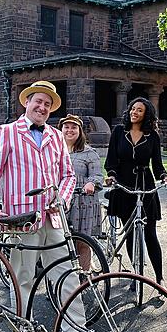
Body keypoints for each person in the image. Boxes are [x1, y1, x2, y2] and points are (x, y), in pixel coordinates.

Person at [0, 80, 107, 332]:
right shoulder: (7, 133)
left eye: (48, 104)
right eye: (38, 101)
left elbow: (68, 176)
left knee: (67, 273)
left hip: (53, 217)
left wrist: (62, 199)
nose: (42, 107)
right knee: (22, 277)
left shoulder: (54, 136)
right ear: (26, 103)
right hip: (21, 218)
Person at [104, 97, 167, 285]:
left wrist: (164, 177)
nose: (134, 112)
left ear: (146, 114)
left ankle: (159, 278)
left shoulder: (153, 136)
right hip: (123, 186)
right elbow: (111, 160)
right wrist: (111, 175)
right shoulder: (119, 131)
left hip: (146, 186)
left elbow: (157, 165)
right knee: (130, 232)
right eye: (133, 109)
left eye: (139, 110)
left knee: (150, 233)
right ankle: (137, 274)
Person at [60, 114, 102, 269]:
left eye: (74, 127)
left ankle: (84, 280)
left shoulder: (89, 153)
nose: (70, 130)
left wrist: (91, 183)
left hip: (83, 202)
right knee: (59, 243)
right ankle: (61, 280)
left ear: (80, 131)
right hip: (60, 203)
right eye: (66, 127)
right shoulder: (54, 151)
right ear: (61, 129)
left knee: (82, 243)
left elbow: (97, 175)